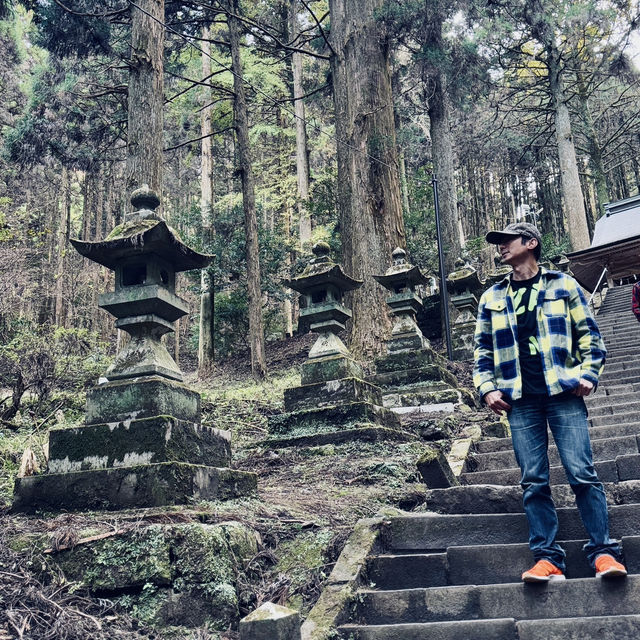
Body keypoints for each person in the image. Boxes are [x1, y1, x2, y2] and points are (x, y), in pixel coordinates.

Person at [473, 222, 627, 583]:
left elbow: (590, 335)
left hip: (563, 394)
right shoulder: (491, 296)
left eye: (506, 241)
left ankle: (603, 552)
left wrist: (588, 374)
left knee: (582, 473)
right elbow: (482, 350)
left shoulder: (563, 285)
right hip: (519, 399)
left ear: (531, 243)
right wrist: (486, 387)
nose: (500, 248)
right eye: (498, 244)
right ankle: (548, 558)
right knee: (533, 481)